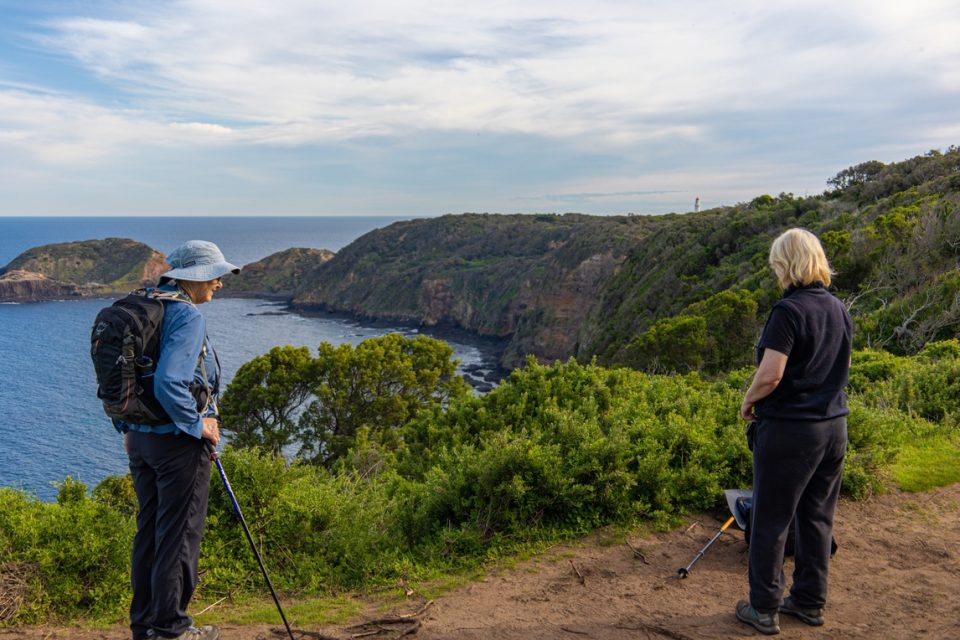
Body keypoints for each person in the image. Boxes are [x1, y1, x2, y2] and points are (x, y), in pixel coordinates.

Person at [117, 240, 239, 640]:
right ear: (196, 276)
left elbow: (127, 379)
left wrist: (127, 430)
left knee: (150, 531)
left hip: (141, 441)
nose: (219, 283)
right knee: (180, 535)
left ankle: (145, 626)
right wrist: (198, 425)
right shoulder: (185, 315)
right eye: (215, 275)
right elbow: (171, 382)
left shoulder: (144, 305)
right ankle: (171, 629)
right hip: (175, 445)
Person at [735, 228, 852, 636]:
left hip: (791, 432)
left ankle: (763, 608)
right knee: (817, 518)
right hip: (834, 427)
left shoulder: (788, 311)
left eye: (775, 264)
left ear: (785, 264)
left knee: (770, 519)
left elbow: (771, 374)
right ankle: (808, 602)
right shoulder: (838, 308)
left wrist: (748, 400)